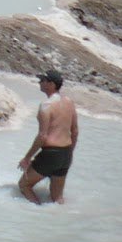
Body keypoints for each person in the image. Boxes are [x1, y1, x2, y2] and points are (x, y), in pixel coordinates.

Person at [18, 70, 78, 205]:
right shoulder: (69, 102)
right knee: (57, 198)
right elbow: (74, 131)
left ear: (51, 84)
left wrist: (27, 158)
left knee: (24, 185)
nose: (40, 82)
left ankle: (36, 215)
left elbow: (42, 136)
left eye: (43, 80)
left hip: (51, 153)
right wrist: (69, 154)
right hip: (66, 153)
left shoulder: (46, 106)